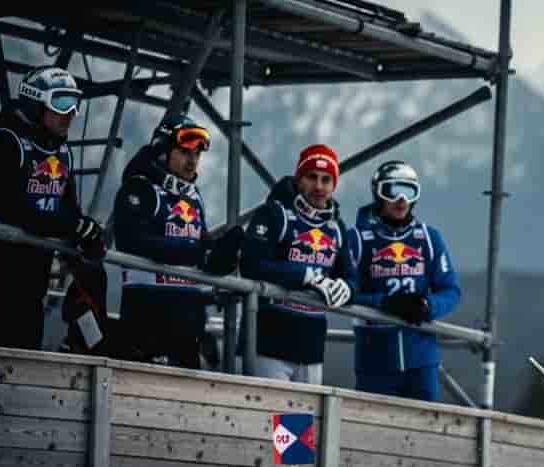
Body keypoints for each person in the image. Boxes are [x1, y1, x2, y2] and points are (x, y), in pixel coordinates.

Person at [0, 65, 106, 350]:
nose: (70, 113)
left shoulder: (62, 153)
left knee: (26, 354)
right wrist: (67, 225)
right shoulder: (4, 143)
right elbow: (5, 207)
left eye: (75, 104)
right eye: (61, 103)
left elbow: (68, 209)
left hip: (32, 280)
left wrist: (86, 231)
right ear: (35, 102)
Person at [112, 113, 242, 367]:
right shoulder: (139, 187)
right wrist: (197, 253)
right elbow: (133, 242)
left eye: (197, 154)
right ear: (163, 151)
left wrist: (222, 257)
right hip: (147, 312)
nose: (192, 161)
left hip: (187, 319)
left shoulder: (193, 195)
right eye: (185, 152)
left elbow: (199, 250)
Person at [239, 144, 358, 384]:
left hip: (311, 348)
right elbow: (251, 265)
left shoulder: (336, 227)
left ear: (334, 185)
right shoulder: (274, 214)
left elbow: (350, 276)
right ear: (299, 179)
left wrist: (348, 288)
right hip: (268, 342)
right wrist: (304, 276)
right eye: (312, 177)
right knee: (265, 417)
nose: (319, 187)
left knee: (299, 421)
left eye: (326, 180)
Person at [351, 160, 461, 401]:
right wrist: (385, 303)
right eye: (392, 190)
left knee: (422, 432)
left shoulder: (428, 238)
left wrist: (428, 306)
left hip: (421, 361)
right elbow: (347, 292)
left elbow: (451, 290)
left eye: (409, 191)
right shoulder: (358, 240)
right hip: (375, 361)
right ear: (377, 193)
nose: (401, 200)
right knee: (374, 431)